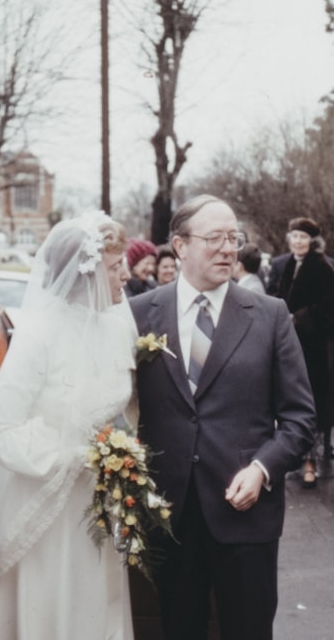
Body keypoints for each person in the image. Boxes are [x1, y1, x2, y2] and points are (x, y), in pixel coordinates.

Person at [129, 195, 316, 640]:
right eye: (214, 238)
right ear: (180, 245)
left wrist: (262, 469)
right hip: (169, 515)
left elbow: (300, 418)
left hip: (245, 515)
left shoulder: (270, 316)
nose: (228, 248)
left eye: (234, 238)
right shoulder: (139, 315)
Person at [0, 211, 136, 640]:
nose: (124, 275)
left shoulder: (115, 329)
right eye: (114, 266)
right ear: (85, 274)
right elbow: (2, 429)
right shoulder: (39, 336)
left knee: (95, 607)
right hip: (45, 507)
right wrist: (73, 457)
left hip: (97, 506)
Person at [274, 217, 334, 488]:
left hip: (314, 349)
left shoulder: (323, 267)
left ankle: (310, 463)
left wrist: (299, 318)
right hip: (290, 346)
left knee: (313, 403)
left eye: (303, 237)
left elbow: (332, 307)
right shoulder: (288, 265)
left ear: (311, 241)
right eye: (294, 236)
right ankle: (294, 455)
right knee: (290, 402)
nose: (298, 242)